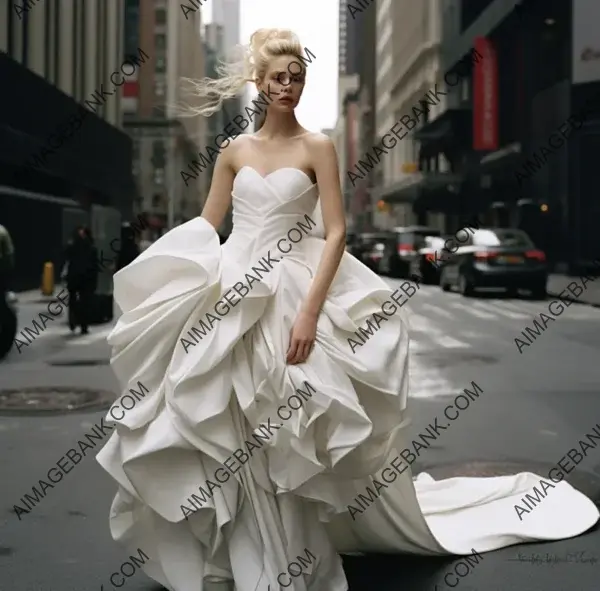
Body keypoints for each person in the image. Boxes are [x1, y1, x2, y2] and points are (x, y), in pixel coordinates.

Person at [96, 29, 599, 591]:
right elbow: (209, 226)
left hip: (292, 291)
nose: (289, 85)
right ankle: (243, 547)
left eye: (297, 76)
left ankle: (288, 551)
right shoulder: (233, 152)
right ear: (259, 85)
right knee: (225, 417)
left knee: (286, 420)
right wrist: (163, 274)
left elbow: (336, 232)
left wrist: (310, 313)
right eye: (278, 77)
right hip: (231, 289)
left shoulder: (318, 147)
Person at [63, 226, 98, 334]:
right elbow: (94, 266)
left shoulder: (72, 245)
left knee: (73, 299)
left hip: (74, 276)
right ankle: (83, 325)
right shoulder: (91, 247)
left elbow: (66, 257)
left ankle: (73, 321)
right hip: (85, 278)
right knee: (85, 302)